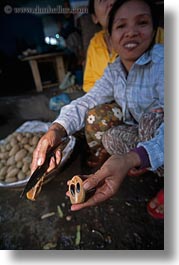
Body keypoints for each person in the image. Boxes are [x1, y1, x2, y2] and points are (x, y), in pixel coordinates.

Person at [31, 0, 164, 217]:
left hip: (165, 136)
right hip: (140, 132)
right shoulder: (114, 71)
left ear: (154, 29)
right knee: (110, 137)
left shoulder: (165, 61)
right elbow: (87, 100)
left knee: (152, 122)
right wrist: (56, 129)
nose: (131, 32)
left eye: (142, 23)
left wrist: (130, 158)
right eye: (121, 26)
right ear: (110, 37)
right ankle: (145, 160)